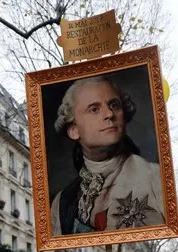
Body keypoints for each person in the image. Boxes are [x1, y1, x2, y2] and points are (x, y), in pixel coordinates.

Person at [50, 76, 165, 235]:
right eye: (94, 109)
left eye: (114, 105)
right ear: (74, 130)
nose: (109, 114)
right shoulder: (61, 202)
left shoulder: (156, 178)